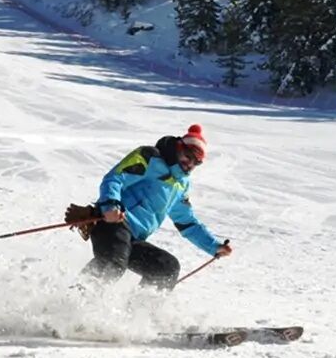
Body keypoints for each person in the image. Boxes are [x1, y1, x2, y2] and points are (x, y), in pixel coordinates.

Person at [81, 124, 231, 290]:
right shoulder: (149, 157)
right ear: (179, 147)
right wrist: (110, 205)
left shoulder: (181, 185)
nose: (190, 164)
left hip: (135, 238)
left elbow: (187, 222)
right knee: (114, 263)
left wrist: (213, 246)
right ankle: (72, 302)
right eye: (188, 156)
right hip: (113, 222)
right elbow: (115, 178)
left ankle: (139, 313)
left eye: (196, 162)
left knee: (167, 268)